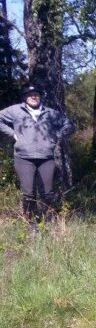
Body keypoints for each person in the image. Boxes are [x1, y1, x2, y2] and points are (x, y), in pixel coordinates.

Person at [0, 83, 75, 230]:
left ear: (40, 97)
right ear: (25, 97)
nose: (33, 97)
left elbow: (69, 124)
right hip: (24, 158)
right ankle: (31, 224)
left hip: (46, 157)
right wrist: (12, 134)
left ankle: (45, 221)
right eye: (30, 94)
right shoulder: (15, 111)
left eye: (36, 95)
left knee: (47, 193)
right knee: (28, 193)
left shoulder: (50, 113)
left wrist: (57, 136)